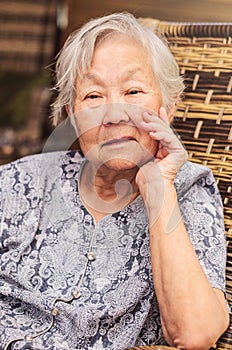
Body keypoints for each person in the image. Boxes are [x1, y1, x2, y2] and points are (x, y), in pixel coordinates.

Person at [0, 12, 230, 350]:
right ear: (70, 116)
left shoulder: (188, 191)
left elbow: (195, 334)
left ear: (169, 106)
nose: (115, 114)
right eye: (93, 96)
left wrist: (158, 190)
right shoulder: (20, 180)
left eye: (133, 90)